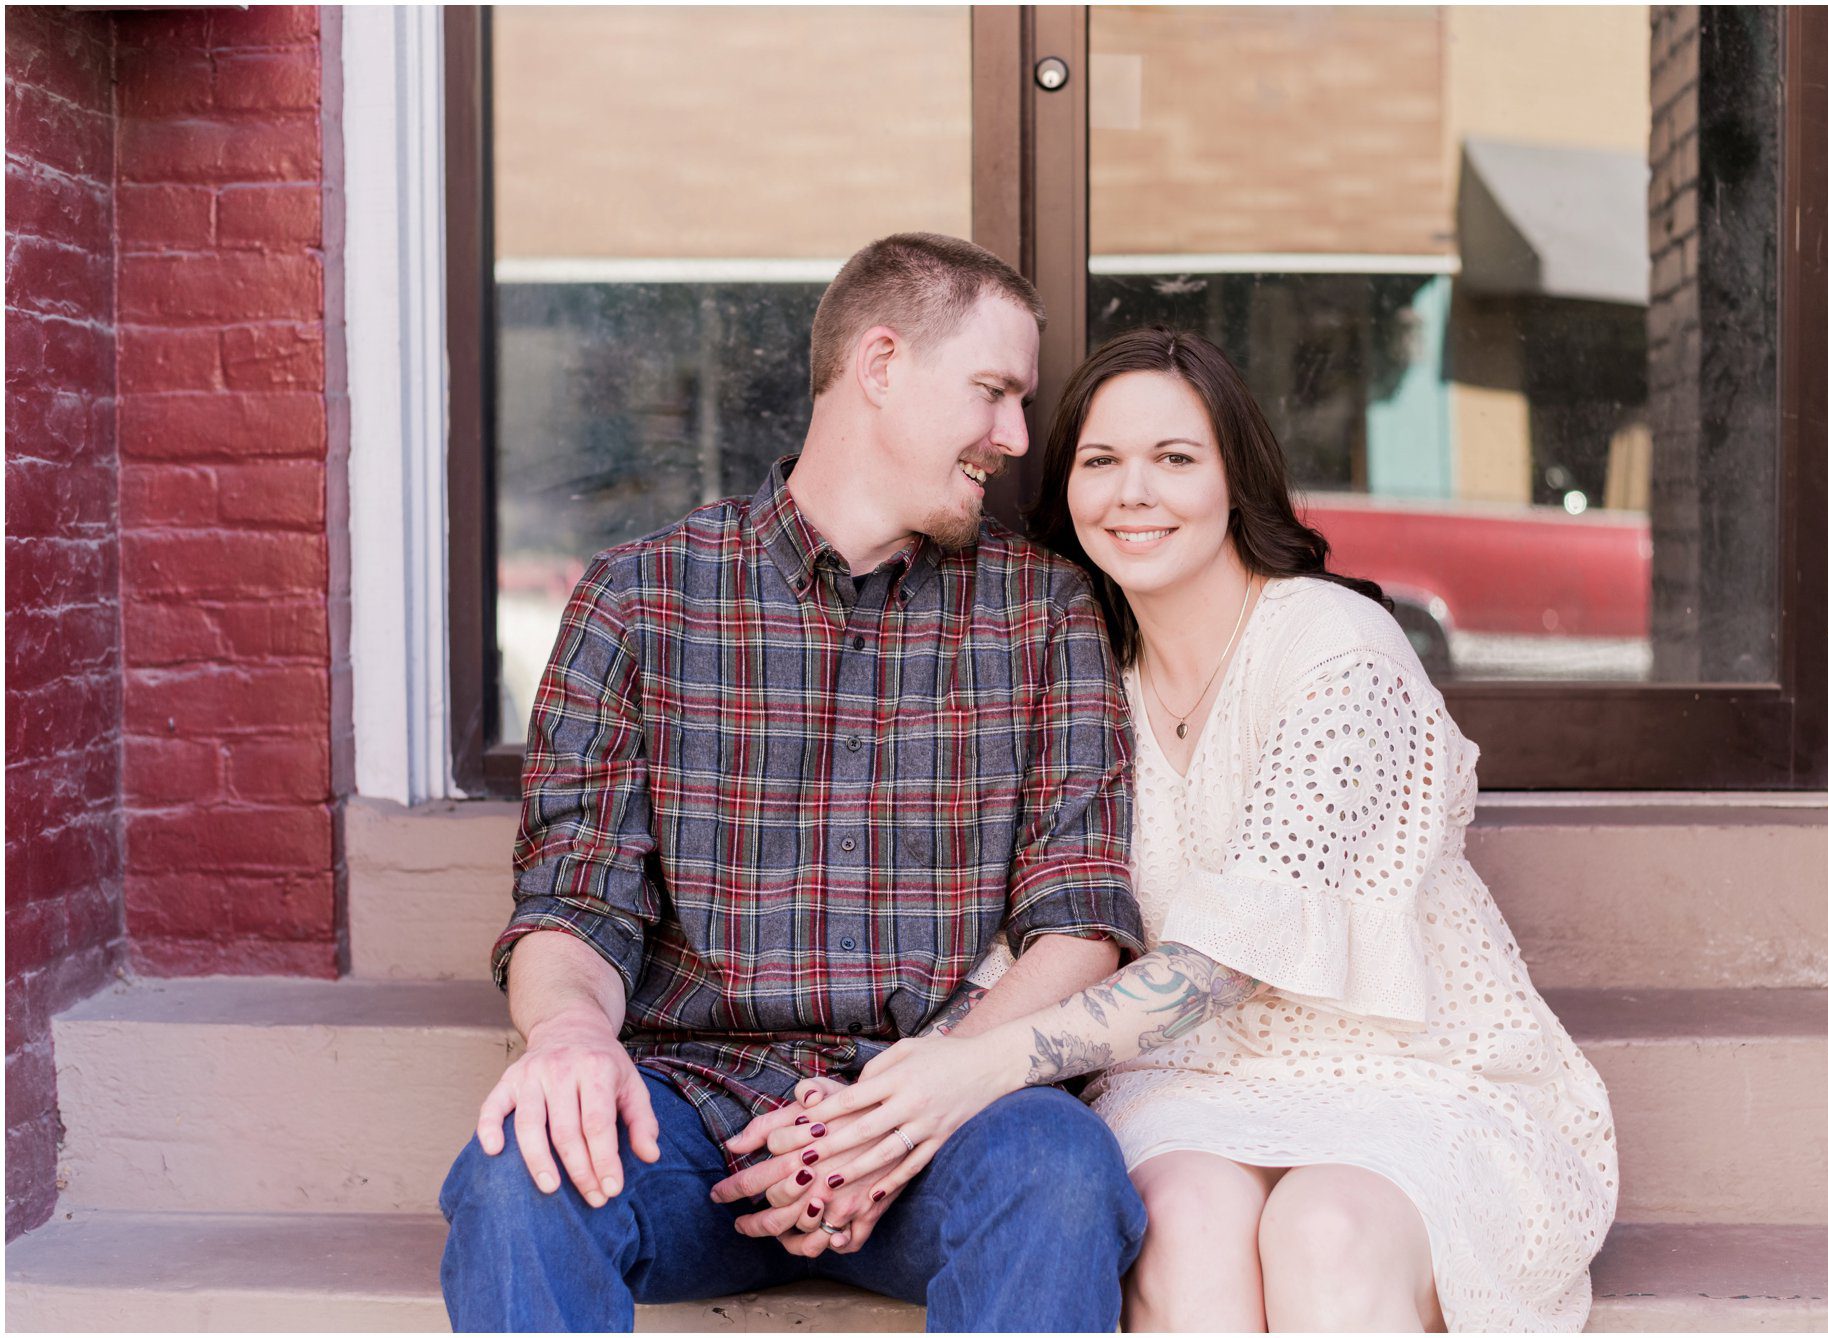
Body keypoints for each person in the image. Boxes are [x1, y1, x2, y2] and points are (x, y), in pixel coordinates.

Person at [713, 328, 1620, 1332]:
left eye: (1175, 460)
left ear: (1237, 480)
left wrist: (976, 1069)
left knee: (1327, 1230)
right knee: (1182, 1222)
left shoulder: (1333, 647)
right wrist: (863, 1120)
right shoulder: (1077, 676)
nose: (1131, 493)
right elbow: (1020, 937)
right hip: (1183, 1087)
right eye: (1100, 463)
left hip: (1403, 1076)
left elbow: (1226, 961)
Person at [437, 234, 1149, 1332]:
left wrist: (899, 1108)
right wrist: (568, 1038)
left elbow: (1078, 922)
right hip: (685, 1125)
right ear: (879, 365)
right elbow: (575, 905)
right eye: (993, 393)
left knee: (1060, 1169)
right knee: (513, 1168)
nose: (1014, 439)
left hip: (939, 1113)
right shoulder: (641, 601)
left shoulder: (1043, 612)